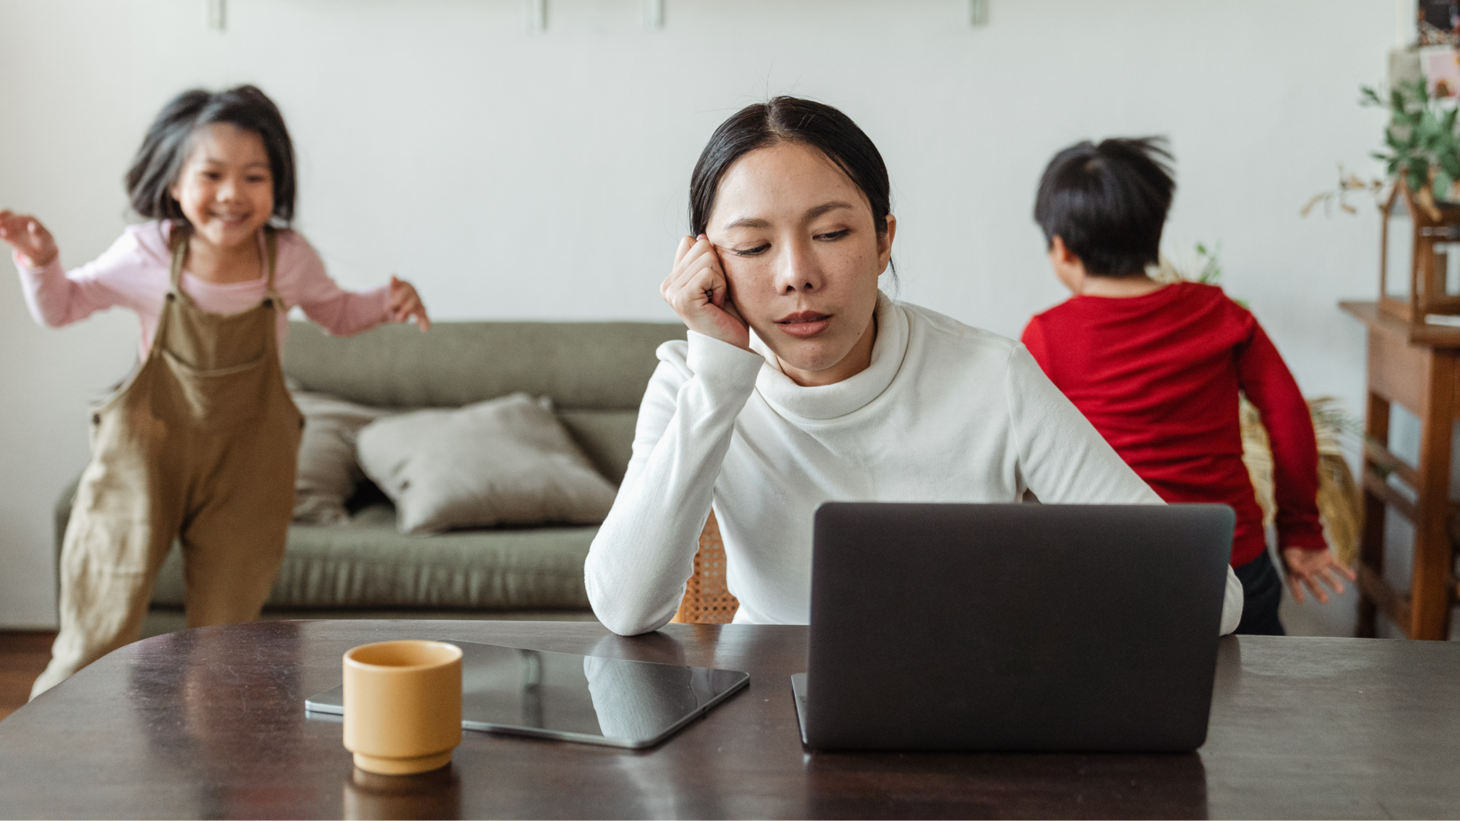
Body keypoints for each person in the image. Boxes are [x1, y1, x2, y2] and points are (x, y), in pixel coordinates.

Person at [584, 98, 1243, 637]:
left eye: (833, 233)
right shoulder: (691, 382)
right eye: (754, 245)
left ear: (883, 241)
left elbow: (1212, 598)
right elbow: (623, 607)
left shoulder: (993, 376)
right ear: (707, 263)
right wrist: (718, 377)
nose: (796, 276)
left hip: (967, 708)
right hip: (767, 721)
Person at [5, 85, 430, 697]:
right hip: (143, 459)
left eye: (254, 176)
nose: (232, 194)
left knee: (225, 648)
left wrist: (385, 303)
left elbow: (336, 313)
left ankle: (213, 780)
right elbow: (63, 306)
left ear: (276, 187)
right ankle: (40, 771)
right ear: (174, 183)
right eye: (212, 174)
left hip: (247, 467)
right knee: (93, 636)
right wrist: (40, 262)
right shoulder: (147, 252)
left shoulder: (286, 258)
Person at [1019, 137, 1354, 636]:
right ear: (1155, 231)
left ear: (1062, 249)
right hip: (1233, 563)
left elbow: (1028, 455)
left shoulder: (1046, 336)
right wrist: (1300, 528)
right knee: (1256, 705)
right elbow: (1288, 417)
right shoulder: (1221, 314)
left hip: (1116, 571)